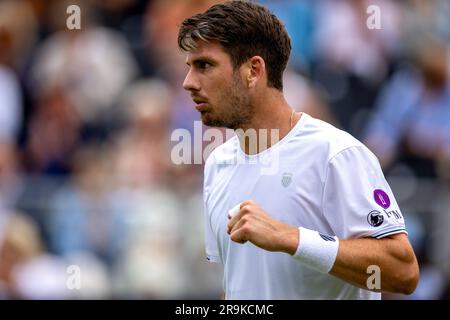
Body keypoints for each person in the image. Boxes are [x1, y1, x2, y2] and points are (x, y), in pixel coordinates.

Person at [178, 0, 419, 299]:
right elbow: (237, 287)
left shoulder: (336, 154)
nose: (188, 83)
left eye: (204, 65)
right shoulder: (217, 164)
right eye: (190, 67)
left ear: (253, 70)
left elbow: (403, 272)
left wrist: (291, 238)